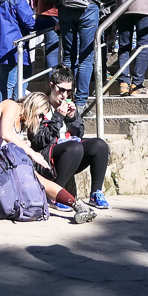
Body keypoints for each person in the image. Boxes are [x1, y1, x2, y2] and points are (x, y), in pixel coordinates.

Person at [0, 91, 97, 224]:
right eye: (40, 115)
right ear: (34, 106)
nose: (39, 120)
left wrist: (23, 146)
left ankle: (77, 205)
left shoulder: (22, 122)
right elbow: (5, 133)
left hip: (4, 164)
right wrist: (32, 153)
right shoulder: (11, 105)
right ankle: (3, 196)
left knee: (38, 178)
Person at [28, 67, 112, 209]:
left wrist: (72, 118)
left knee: (99, 144)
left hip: (69, 155)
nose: (64, 94)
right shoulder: (40, 105)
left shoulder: (67, 104)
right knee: (75, 147)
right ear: (51, 86)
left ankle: (95, 193)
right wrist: (58, 117)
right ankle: (54, 195)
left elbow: (79, 134)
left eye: (69, 91)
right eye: (61, 90)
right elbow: (38, 141)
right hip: (45, 158)